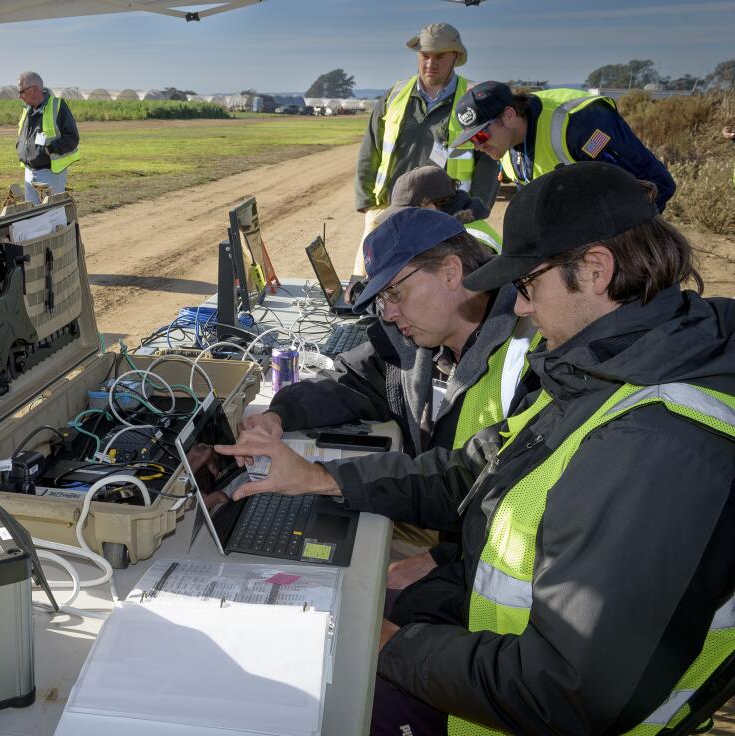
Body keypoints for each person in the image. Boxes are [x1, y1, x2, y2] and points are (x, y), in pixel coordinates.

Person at [218, 161, 734, 735]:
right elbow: (477, 473)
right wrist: (322, 479)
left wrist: (384, 644)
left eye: (528, 286)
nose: (518, 307)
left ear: (594, 272)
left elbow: (566, 692)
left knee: (299, 704)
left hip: (518, 710)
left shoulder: (654, 442)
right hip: (492, 640)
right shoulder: (602, 369)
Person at [245, 206, 539, 582]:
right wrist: (278, 415)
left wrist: (443, 558)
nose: (388, 313)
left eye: (395, 293)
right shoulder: (415, 338)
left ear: (451, 272)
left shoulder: (529, 355)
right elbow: (350, 380)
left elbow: (501, 489)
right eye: (383, 300)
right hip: (438, 523)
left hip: (482, 558)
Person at [354, 22, 500, 275]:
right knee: (367, 278)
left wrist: (475, 209)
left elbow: (489, 159)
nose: (430, 64)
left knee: (436, 278)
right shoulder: (394, 95)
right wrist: (367, 203)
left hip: (447, 213)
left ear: (455, 57)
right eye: (425, 56)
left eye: (440, 56)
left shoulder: (474, 100)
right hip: (389, 208)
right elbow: (371, 148)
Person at [451, 81, 677, 211]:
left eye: (480, 136)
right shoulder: (506, 151)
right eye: (471, 141)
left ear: (509, 115)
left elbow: (657, 186)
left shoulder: (582, 124)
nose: (478, 147)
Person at [390, 165, 502, 252]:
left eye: (406, 216)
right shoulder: (448, 230)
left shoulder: (465, 243)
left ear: (429, 207)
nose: (403, 223)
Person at [16, 71, 80, 204]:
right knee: (32, 214)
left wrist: (49, 149)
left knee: (51, 214)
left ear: (34, 90)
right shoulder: (27, 109)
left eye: (22, 92)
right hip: (29, 171)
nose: (19, 96)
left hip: (49, 173)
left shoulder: (57, 106)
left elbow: (72, 138)